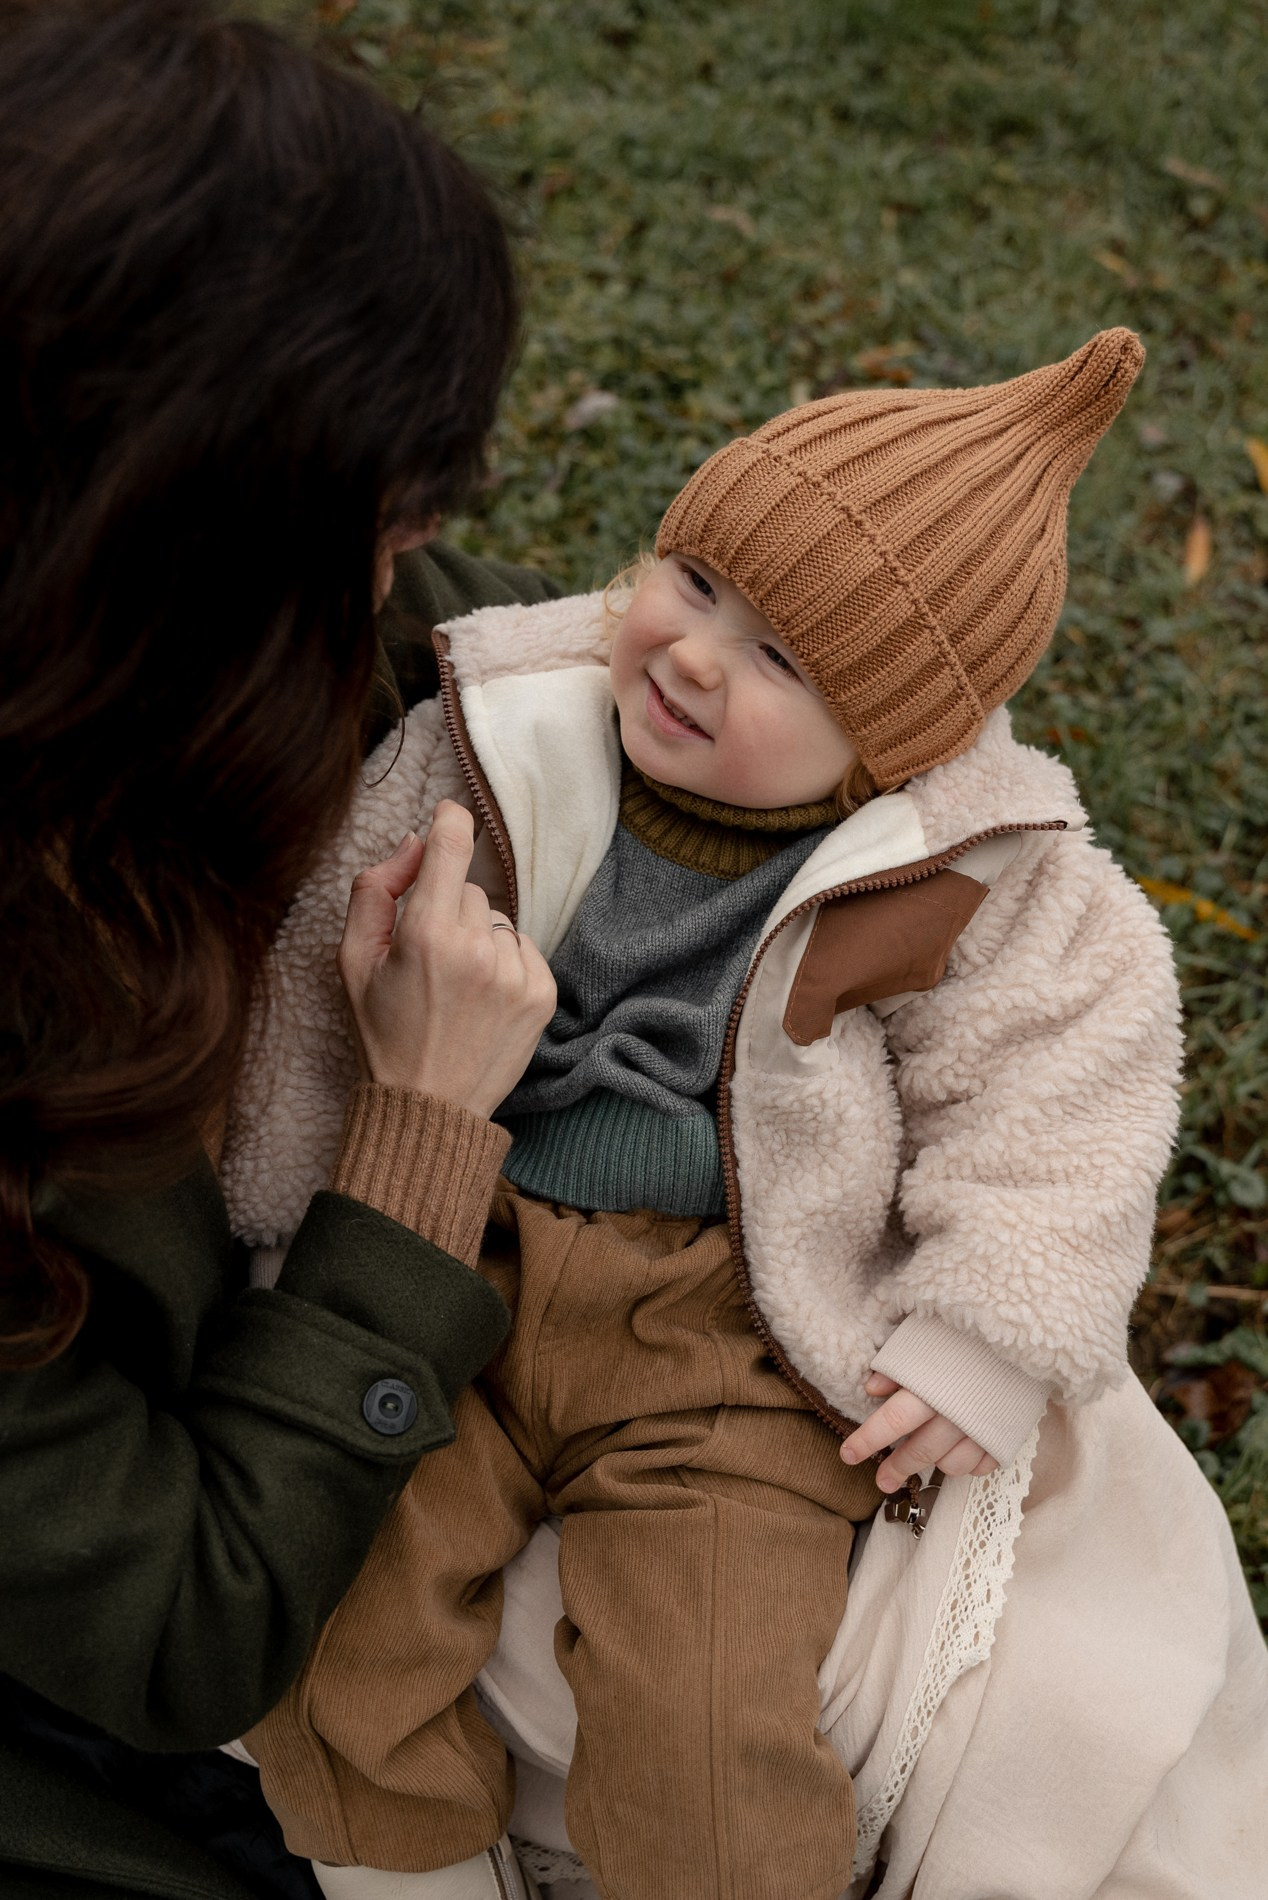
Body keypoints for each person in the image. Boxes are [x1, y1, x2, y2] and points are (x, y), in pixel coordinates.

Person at [218, 329, 1253, 1900]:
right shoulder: (502, 729)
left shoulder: (968, 875)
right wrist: (283, 1189)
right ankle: (407, 1872)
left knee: (706, 1701)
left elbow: (1072, 1092)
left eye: (783, 662)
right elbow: (319, 959)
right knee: (340, 1620)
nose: (695, 658)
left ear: (893, 737)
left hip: (727, 1343)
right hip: (457, 1272)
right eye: (694, 584)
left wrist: (980, 1335)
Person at [0, 3, 562, 1896]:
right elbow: (176, 1614)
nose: (410, 567)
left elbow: (491, 648)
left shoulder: (213, 643)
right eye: (377, 523)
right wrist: (415, 1144)